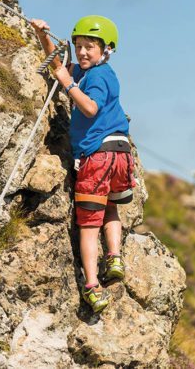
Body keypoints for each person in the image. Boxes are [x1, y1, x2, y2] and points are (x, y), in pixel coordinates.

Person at [30, 16, 135, 313]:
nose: (83, 52)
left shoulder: (99, 77)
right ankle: (113, 255)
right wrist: (43, 35)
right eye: (78, 46)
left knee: (88, 226)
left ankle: (92, 286)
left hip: (98, 157)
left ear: (106, 50)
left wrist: (68, 85)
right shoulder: (94, 72)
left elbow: (89, 107)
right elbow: (58, 64)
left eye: (89, 46)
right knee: (111, 207)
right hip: (121, 154)